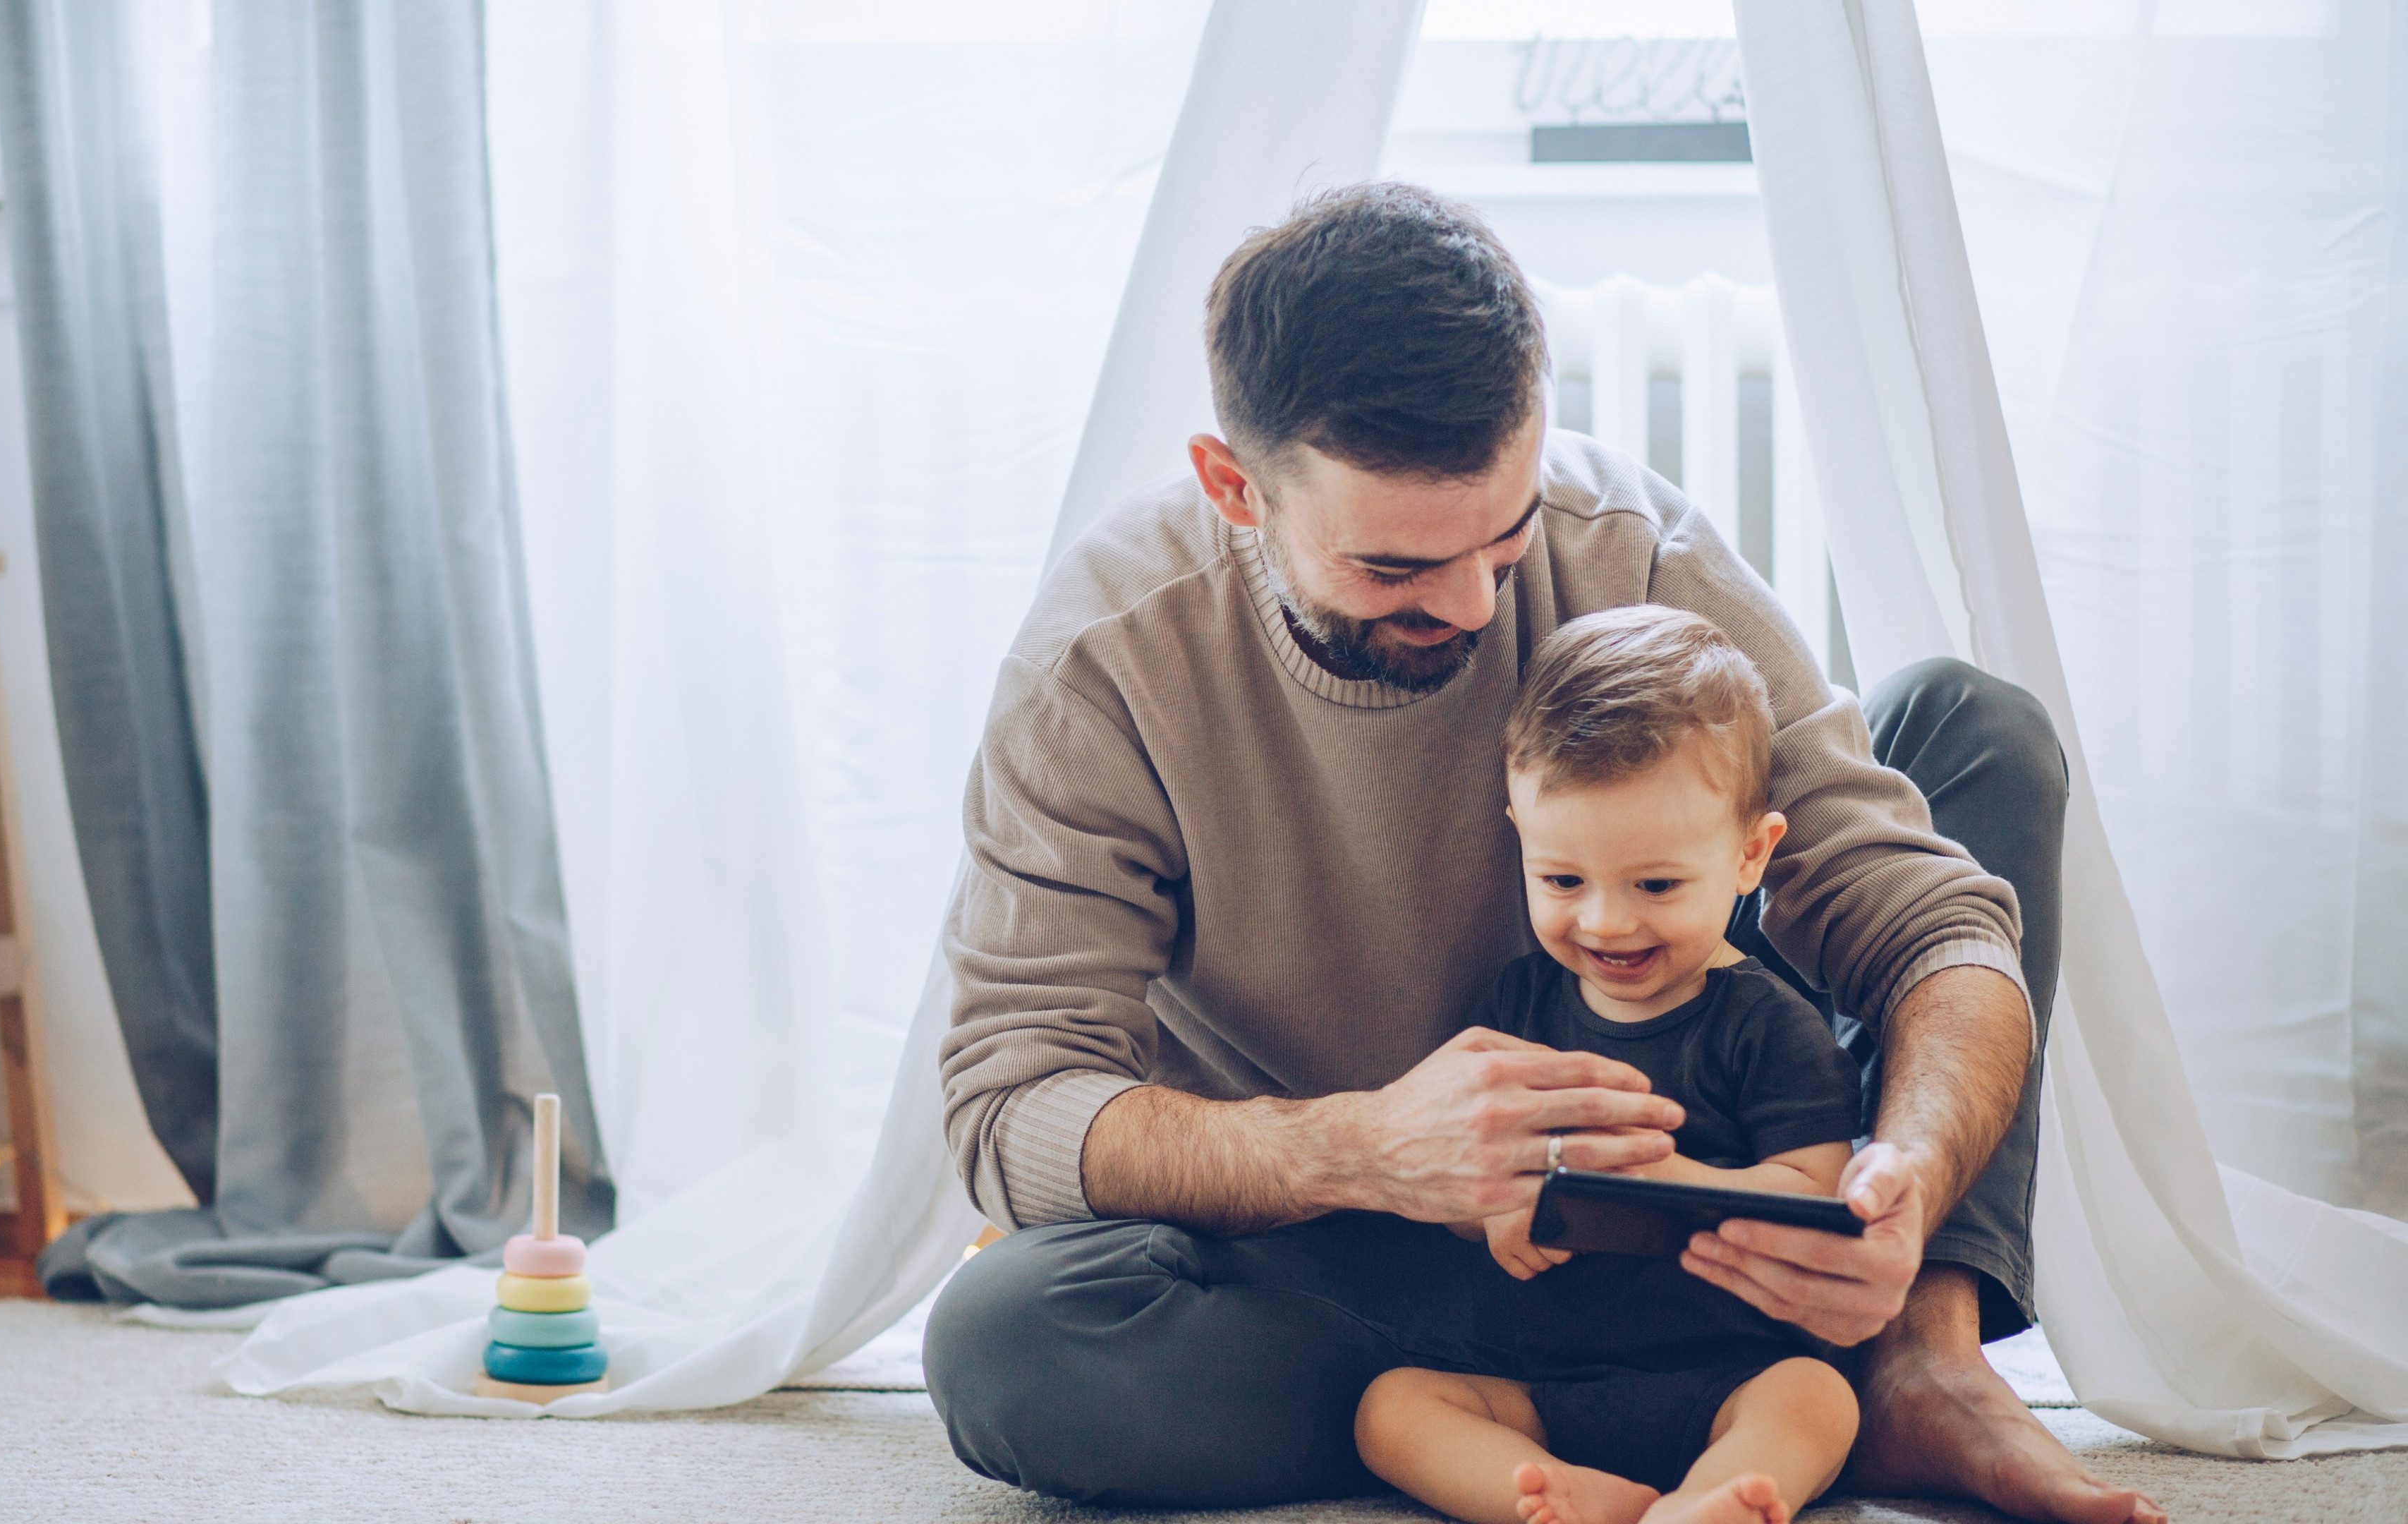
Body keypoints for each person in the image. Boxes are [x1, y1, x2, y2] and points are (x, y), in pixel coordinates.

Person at [925, 183, 2163, 1524]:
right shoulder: (1103, 662)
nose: (1471, 605)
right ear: (1237, 488)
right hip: (1371, 1257)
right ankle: (1551, 1418)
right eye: (1395, 568)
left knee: (1974, 730)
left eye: (1504, 539)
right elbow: (1012, 1101)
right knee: (1008, 1346)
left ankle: (1915, 1355)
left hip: (1712, 1220)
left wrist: (1904, 1182)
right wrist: (1364, 1150)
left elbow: (1924, 923)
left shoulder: (1631, 550)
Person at [1354, 605, 1867, 1524]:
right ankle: (1558, 1498)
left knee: (1819, 1402)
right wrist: (1495, 1211)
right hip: (1541, 1380)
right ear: (1518, 832)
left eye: (1656, 885)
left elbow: (1819, 1206)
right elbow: (1466, 1172)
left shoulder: (1768, 1027)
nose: (1605, 923)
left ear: (1751, 854)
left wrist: (1675, 1186)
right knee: (1390, 1409)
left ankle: (1714, 1497)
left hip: (1728, 1373)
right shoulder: (1519, 1008)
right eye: (1562, 881)